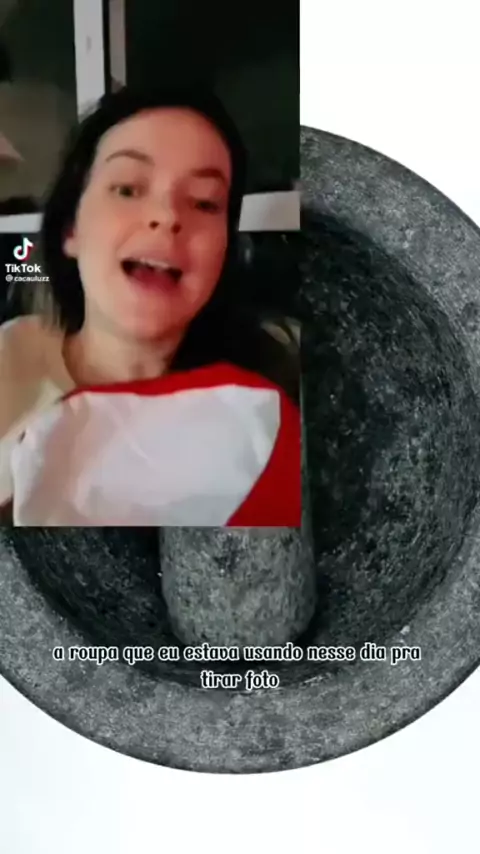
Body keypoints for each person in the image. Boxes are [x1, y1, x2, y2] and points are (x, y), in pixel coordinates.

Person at [0, 86, 300, 527]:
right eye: (127, 189)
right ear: (70, 229)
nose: (168, 216)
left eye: (204, 202)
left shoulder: (264, 413)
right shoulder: (7, 363)